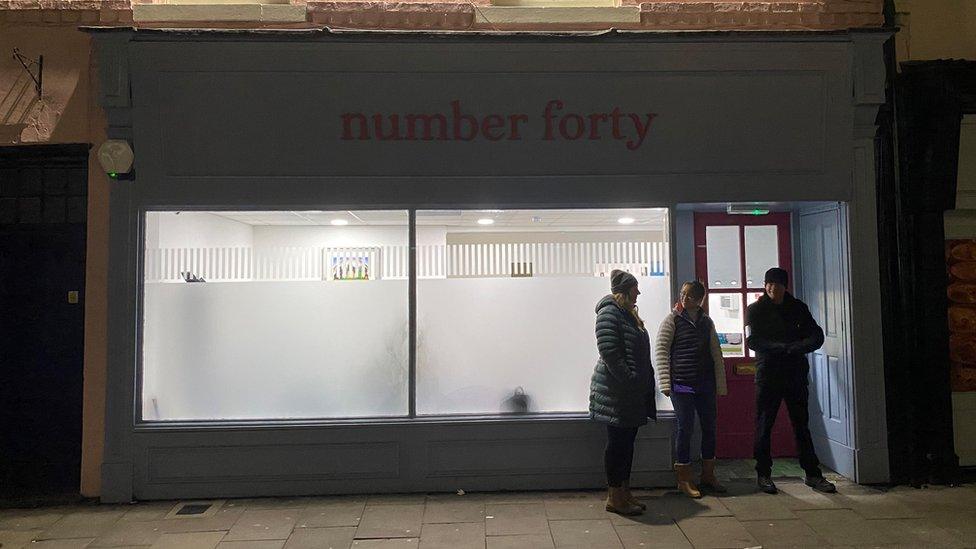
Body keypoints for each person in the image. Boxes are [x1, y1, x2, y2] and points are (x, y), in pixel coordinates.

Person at [746, 267, 836, 494]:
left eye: (776, 284)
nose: (771, 288)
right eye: (768, 284)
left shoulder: (798, 308)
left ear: (785, 286)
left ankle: (812, 474)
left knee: (801, 426)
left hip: (795, 375)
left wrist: (797, 348)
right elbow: (753, 341)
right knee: (764, 425)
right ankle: (763, 474)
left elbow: (816, 335)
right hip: (768, 376)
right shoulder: (755, 310)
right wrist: (782, 348)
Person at [590, 269, 656, 516]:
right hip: (617, 394)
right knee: (617, 445)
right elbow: (610, 353)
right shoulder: (609, 313)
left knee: (626, 445)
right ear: (625, 289)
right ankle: (614, 496)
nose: (638, 292)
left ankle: (625, 493)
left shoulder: (627, 314)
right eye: (635, 288)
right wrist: (631, 380)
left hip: (630, 394)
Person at [654, 280, 728, 498]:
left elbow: (716, 354)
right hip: (681, 383)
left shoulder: (707, 322)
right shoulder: (672, 320)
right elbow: (661, 350)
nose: (684, 298)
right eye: (683, 294)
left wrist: (720, 384)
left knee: (709, 428)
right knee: (685, 428)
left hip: (705, 384)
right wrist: (665, 383)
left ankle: (708, 475)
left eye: (690, 296)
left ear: (699, 300)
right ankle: (683, 478)